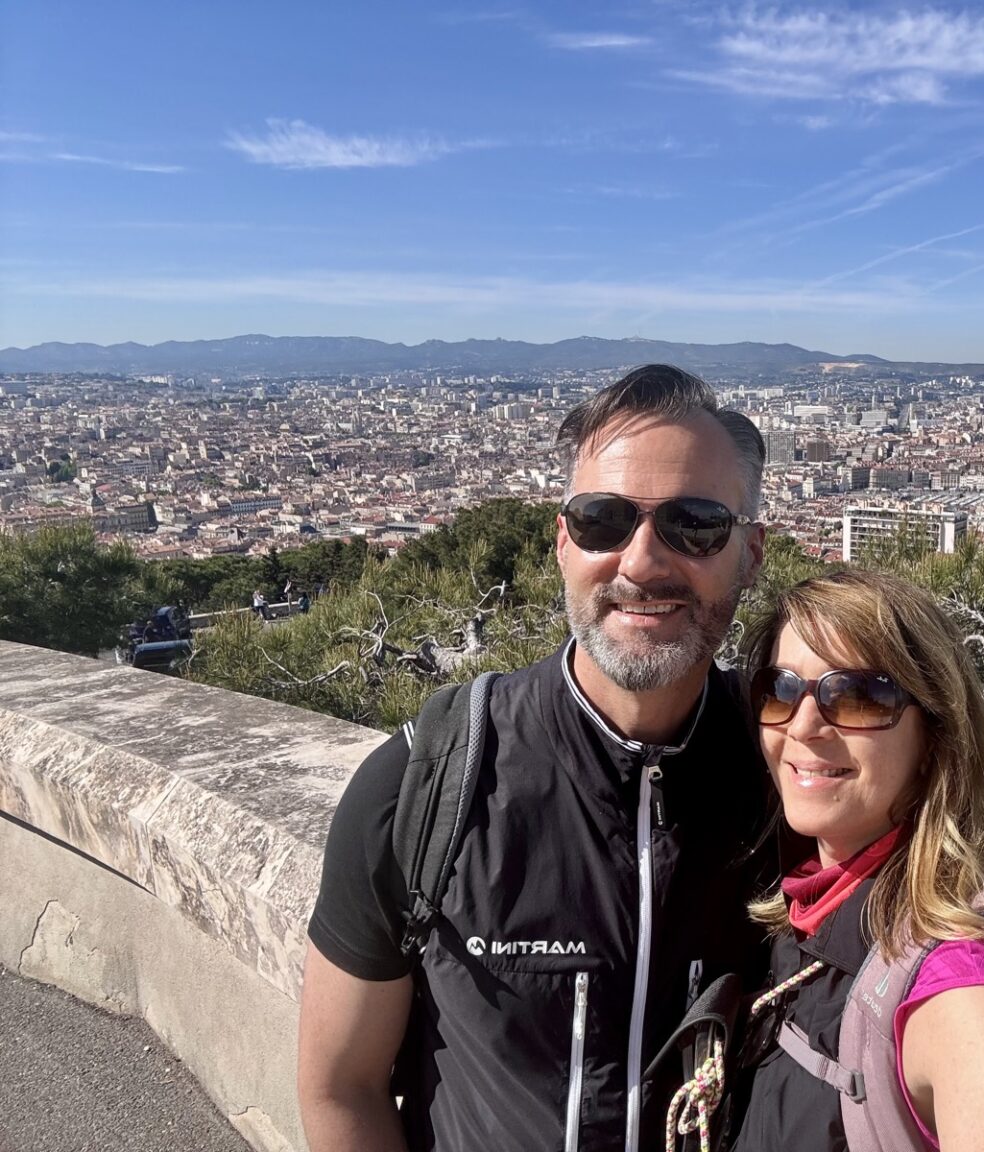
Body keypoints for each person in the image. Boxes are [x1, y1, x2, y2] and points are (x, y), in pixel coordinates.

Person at [298, 364, 773, 1152]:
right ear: (562, 543)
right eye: (602, 520)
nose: (643, 562)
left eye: (695, 524)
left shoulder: (792, 783)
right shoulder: (426, 785)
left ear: (750, 554)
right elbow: (341, 1086)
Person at [728, 570, 984, 1152]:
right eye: (781, 688)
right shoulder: (817, 906)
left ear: (934, 741)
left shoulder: (968, 995)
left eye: (857, 697)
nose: (802, 726)